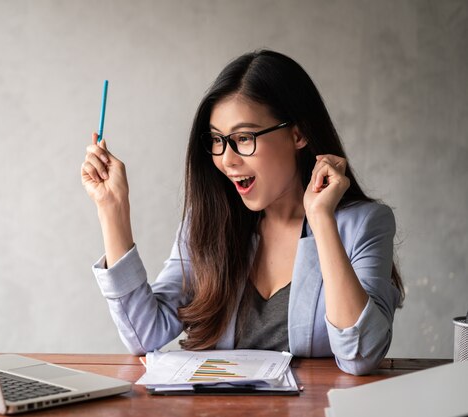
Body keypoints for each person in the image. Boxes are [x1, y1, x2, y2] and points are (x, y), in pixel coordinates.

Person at [80, 49, 404, 376]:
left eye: (244, 138)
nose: (227, 160)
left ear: (298, 134)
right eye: (218, 140)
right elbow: (144, 333)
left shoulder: (364, 224)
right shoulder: (209, 224)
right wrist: (112, 207)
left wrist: (320, 219)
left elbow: (360, 354)